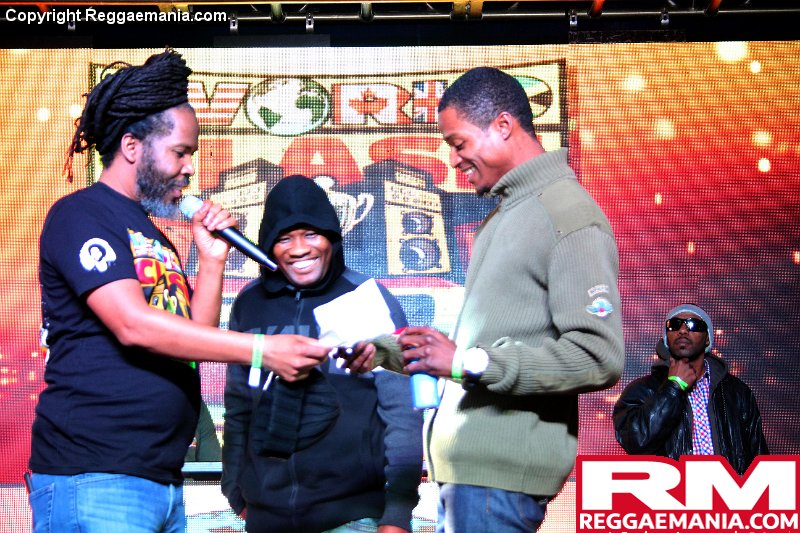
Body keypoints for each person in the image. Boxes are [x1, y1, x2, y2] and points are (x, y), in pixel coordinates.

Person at [29, 50, 370, 533]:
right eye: (180, 152)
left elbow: (192, 341)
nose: (190, 167)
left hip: (159, 477)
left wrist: (211, 261)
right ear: (132, 146)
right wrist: (262, 350)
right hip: (95, 475)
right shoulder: (82, 214)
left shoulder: (151, 233)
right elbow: (133, 325)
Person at [385, 67, 625, 532]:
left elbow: (599, 357)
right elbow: (490, 345)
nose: (453, 160)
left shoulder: (568, 214)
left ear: (502, 126)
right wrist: (377, 352)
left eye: (458, 143)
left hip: (497, 487)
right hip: (471, 481)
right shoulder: (504, 215)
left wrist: (466, 362)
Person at [222, 175, 424, 533]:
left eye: (311, 234)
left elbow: (402, 411)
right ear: (268, 246)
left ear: (332, 237)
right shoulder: (249, 303)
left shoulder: (367, 299)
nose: (299, 248)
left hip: (353, 518)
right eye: (284, 238)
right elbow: (239, 405)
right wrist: (235, 491)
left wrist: (397, 511)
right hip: (265, 518)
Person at [613, 304, 769, 475]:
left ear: (707, 339)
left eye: (693, 325)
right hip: (672, 491)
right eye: (674, 325)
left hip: (727, 491)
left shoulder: (737, 392)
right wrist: (674, 387)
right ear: (666, 337)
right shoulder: (642, 390)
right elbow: (635, 442)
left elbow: (759, 457)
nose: (682, 330)